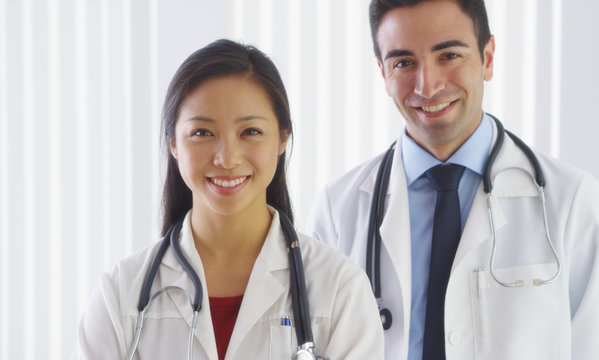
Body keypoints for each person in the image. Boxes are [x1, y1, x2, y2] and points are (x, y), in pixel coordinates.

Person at [305, 0, 599, 359]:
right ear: (383, 73)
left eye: (449, 56)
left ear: (488, 57)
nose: (428, 87)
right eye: (404, 63)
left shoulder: (572, 201)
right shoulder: (338, 210)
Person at [73, 39, 384, 360]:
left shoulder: (338, 289)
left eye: (250, 131)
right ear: (173, 144)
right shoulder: (121, 294)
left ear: (282, 138)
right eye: (202, 133)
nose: (226, 158)